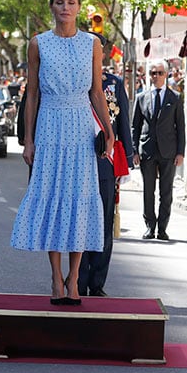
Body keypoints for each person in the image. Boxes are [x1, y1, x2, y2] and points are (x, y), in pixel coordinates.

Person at [11, 0, 112, 305]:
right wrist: (28, 140)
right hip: (50, 125)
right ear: (51, 6)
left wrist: (109, 132)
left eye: (71, 2)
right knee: (53, 196)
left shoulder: (93, 44)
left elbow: (97, 92)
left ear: (79, 7)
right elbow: (33, 95)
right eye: (59, 2)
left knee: (81, 197)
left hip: (82, 125)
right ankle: (56, 278)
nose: (65, 7)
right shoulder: (38, 43)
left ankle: (74, 279)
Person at [78, 61, 134, 297]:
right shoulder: (75, 81)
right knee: (80, 224)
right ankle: (78, 280)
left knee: (104, 224)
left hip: (106, 162)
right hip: (79, 162)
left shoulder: (114, 84)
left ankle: (97, 282)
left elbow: (123, 124)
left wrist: (127, 161)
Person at [132, 61, 185, 240]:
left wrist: (180, 152)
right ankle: (149, 226)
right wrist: (135, 151)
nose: (156, 76)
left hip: (168, 151)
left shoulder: (175, 97)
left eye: (160, 73)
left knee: (166, 191)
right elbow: (135, 126)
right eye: (153, 73)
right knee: (148, 191)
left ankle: (162, 228)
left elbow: (181, 126)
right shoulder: (141, 97)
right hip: (147, 150)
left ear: (166, 75)